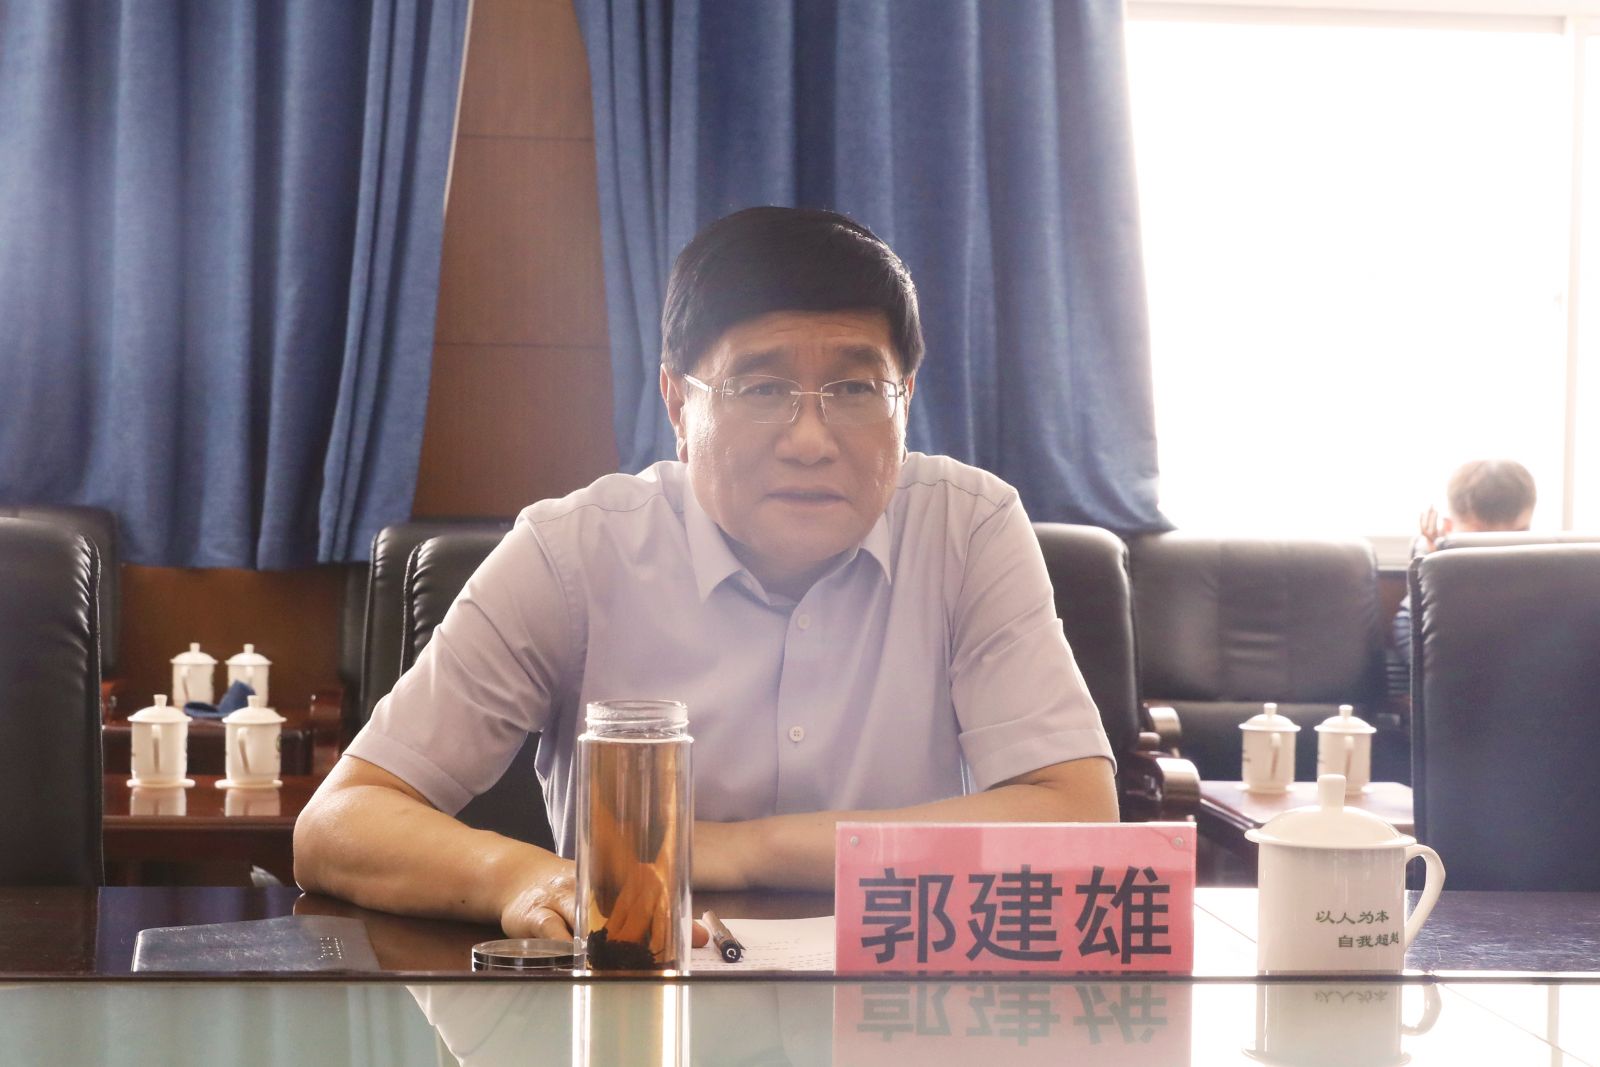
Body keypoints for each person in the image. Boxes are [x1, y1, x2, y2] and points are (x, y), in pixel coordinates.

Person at [294, 206, 1118, 940]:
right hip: (641, 1006)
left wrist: (735, 849)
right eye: (758, 387)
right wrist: (529, 878)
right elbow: (340, 821)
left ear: (906, 396)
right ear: (676, 405)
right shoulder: (573, 552)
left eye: (854, 388)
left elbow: (1077, 818)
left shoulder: (968, 527)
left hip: (897, 1010)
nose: (810, 438)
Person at [1392, 459, 1536, 664]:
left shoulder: (1536, 565)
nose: (1498, 552)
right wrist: (1435, 562)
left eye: (1517, 535)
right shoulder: (1435, 558)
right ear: (1448, 528)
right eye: (1481, 538)